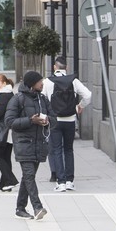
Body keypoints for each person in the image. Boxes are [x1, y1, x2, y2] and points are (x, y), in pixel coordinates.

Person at [4, 70, 55, 220]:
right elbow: (9, 121)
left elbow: (54, 118)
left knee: (28, 177)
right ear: (32, 83)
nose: (43, 83)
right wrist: (30, 120)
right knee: (29, 175)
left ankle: (20, 208)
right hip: (23, 143)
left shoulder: (43, 99)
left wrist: (47, 121)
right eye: (40, 81)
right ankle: (37, 207)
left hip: (39, 144)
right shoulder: (17, 99)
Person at [41, 56, 92, 192]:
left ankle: (61, 182)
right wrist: (79, 106)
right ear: (66, 67)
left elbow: (42, 99)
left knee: (56, 149)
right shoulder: (73, 81)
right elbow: (88, 95)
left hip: (54, 121)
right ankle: (70, 181)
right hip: (70, 120)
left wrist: (45, 115)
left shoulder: (47, 82)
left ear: (54, 67)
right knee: (68, 150)